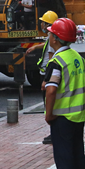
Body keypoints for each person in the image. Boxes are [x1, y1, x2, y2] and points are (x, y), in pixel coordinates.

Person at [43, 17, 85, 169]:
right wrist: (80, 101)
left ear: (55, 38)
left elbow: (51, 90)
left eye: (50, 33)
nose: (48, 36)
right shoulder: (77, 57)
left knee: (64, 159)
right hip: (78, 116)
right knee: (78, 156)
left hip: (62, 118)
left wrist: (49, 114)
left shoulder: (57, 61)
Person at [25, 10, 59, 145]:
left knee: (49, 104)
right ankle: (54, 132)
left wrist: (46, 80)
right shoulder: (52, 36)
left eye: (43, 22)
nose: (41, 25)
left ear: (48, 24)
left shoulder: (52, 37)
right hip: (47, 74)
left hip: (47, 75)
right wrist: (35, 48)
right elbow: (46, 45)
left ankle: (54, 133)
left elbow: (51, 61)